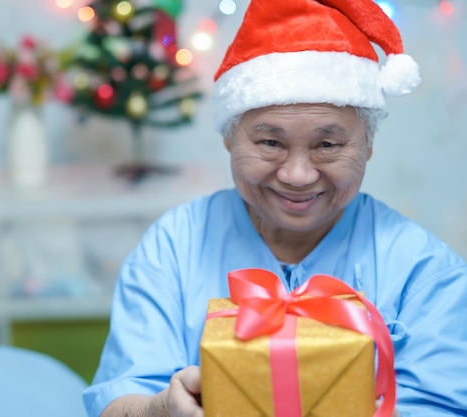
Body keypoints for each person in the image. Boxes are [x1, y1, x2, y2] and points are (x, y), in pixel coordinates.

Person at [82, 0, 467, 416]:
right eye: (270, 143)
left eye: (328, 144)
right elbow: (118, 398)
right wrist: (159, 408)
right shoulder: (174, 246)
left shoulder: (424, 271)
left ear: (368, 144)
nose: (298, 175)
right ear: (230, 137)